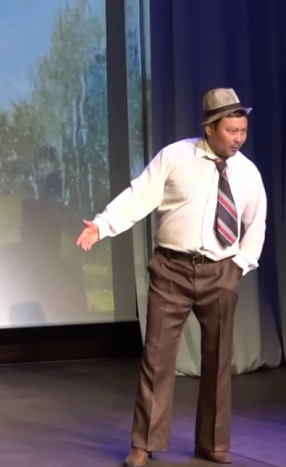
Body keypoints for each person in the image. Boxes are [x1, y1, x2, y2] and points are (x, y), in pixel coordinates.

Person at [76, 88, 267, 466]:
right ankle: (144, 443)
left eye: (243, 131)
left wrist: (239, 266)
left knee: (218, 361)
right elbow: (139, 196)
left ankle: (212, 442)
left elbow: (256, 224)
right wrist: (102, 225)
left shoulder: (247, 172)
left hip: (220, 273)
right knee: (157, 359)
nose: (238, 138)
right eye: (231, 131)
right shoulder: (175, 157)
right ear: (210, 128)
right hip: (171, 271)